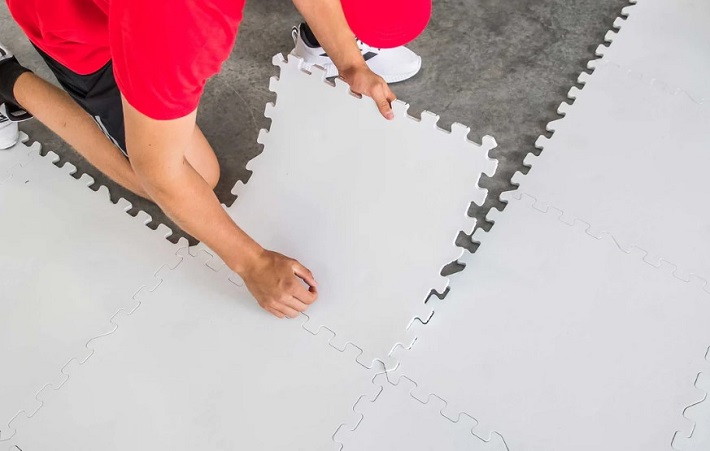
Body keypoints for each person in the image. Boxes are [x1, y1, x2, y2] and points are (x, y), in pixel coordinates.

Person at [0, 0, 431, 318]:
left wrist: (348, 60)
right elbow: (160, 171)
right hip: (81, 25)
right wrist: (251, 262)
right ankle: (6, 80)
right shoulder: (176, 23)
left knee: (395, 12)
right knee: (192, 177)